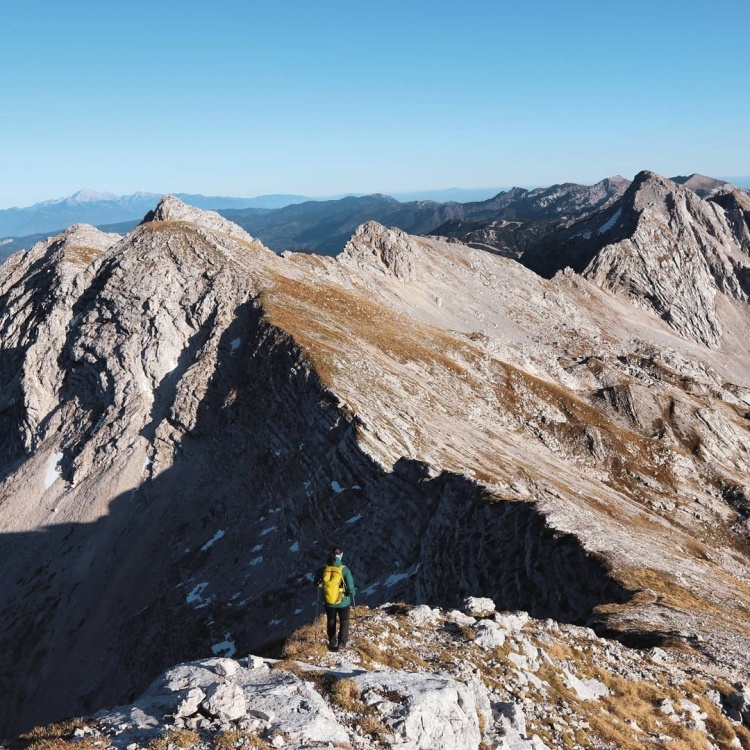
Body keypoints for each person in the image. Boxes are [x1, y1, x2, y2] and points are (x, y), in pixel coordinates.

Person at [316, 546, 356, 652]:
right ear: (340, 556)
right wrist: (351, 593)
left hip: (328, 601)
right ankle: (341, 645)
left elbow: (316, 582)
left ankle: (332, 642)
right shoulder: (344, 570)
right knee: (344, 621)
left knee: (331, 620)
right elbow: (351, 588)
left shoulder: (324, 569)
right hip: (343, 602)